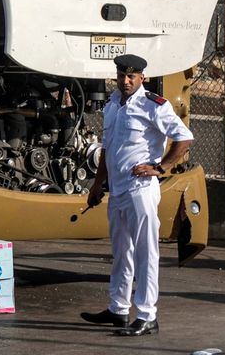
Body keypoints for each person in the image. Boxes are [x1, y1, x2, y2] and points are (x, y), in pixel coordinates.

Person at [80, 54, 193, 337]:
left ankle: (146, 315)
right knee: (121, 253)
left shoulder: (154, 105)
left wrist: (161, 167)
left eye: (131, 76)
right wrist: (97, 185)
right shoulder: (112, 105)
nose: (125, 81)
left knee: (145, 253)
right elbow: (108, 148)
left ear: (142, 77)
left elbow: (184, 137)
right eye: (121, 75)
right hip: (117, 190)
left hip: (140, 190)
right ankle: (118, 309)